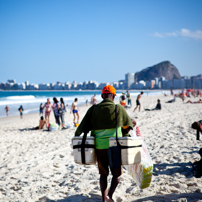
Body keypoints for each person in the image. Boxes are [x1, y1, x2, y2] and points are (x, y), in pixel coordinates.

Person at [75, 85, 133, 202]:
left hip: (99, 147)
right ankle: (110, 196)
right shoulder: (118, 108)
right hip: (115, 146)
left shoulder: (93, 109)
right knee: (116, 174)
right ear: (113, 96)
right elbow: (128, 126)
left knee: (103, 174)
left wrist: (77, 135)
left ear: (102, 96)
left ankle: (103, 199)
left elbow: (81, 127)